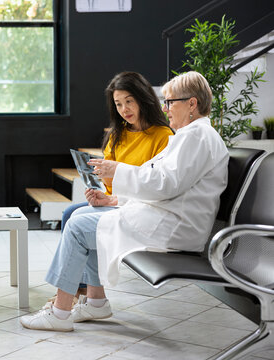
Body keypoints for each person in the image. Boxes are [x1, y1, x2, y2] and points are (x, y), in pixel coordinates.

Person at [21, 71, 229, 332]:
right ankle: (95, 302)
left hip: (174, 227)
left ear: (192, 104)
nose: (166, 110)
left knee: (78, 227)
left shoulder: (196, 137)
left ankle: (60, 312)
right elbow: (161, 180)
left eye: (170, 102)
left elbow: (165, 184)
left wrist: (117, 171)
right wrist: (114, 199)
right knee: (80, 218)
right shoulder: (190, 136)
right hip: (166, 217)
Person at [58, 71, 173, 299]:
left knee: (76, 218)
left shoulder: (163, 136)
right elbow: (109, 185)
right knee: (70, 212)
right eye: (118, 104)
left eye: (129, 101)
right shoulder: (117, 134)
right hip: (115, 201)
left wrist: (114, 184)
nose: (124, 109)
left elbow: (155, 185)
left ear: (143, 98)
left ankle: (74, 293)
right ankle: (83, 292)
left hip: (137, 207)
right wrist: (98, 185)